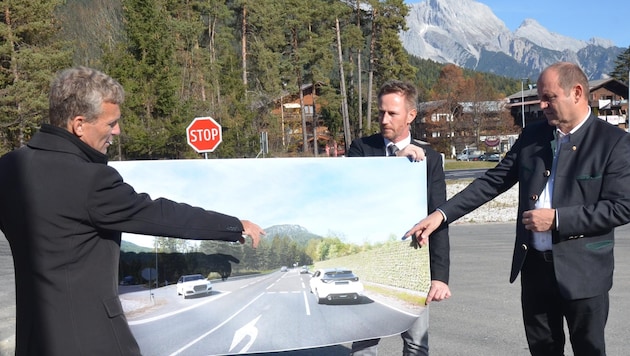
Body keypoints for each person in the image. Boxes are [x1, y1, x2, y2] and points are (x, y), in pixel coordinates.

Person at [0, 66, 265, 356]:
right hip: (93, 342)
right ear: (79, 125)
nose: (117, 131)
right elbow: (161, 216)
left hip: (32, 342)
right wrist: (233, 224)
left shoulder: (8, 168)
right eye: (111, 123)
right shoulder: (90, 180)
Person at [405, 62, 630, 356]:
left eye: (549, 97)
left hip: (585, 275)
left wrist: (558, 219)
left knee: (589, 350)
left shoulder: (614, 143)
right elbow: (492, 182)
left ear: (576, 93)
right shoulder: (533, 136)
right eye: (540, 97)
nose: (542, 104)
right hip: (535, 271)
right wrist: (440, 215)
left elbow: (621, 207)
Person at [348, 80, 451, 355]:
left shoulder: (431, 158)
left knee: (417, 343)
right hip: (370, 261)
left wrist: (439, 277)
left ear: (411, 115)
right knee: (365, 343)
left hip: (415, 263)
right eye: (381, 112)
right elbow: (354, 197)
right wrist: (397, 165)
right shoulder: (360, 149)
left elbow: (439, 218)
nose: (384, 119)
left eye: (392, 113)